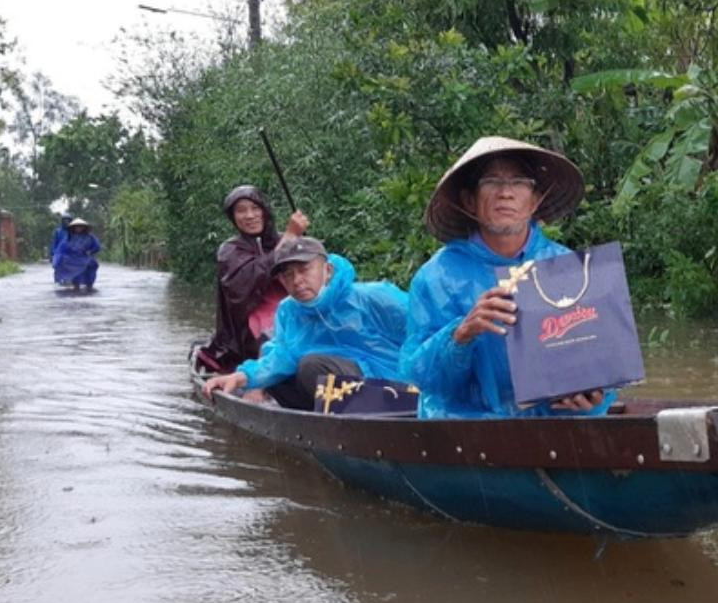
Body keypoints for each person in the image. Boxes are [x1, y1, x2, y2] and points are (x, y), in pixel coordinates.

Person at [401, 136, 615, 419]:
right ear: (470, 201)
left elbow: (601, 364)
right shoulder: (436, 277)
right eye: (491, 182)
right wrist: (460, 335)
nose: (506, 192)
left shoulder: (567, 267)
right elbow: (421, 377)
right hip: (469, 430)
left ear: (535, 201)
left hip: (555, 429)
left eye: (519, 182)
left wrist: (595, 397)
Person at [202, 236, 409, 410]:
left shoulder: (373, 297)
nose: (297, 281)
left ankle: (377, 417)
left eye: (304, 269)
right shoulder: (289, 310)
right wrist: (240, 378)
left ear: (327, 270)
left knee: (311, 366)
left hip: (395, 389)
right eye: (288, 275)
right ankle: (323, 423)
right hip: (341, 392)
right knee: (277, 378)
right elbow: (281, 356)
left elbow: (422, 335)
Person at [197, 185, 309, 373]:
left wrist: (294, 240)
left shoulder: (287, 239)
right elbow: (247, 281)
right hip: (250, 324)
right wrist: (289, 237)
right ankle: (259, 382)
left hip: (294, 311)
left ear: (265, 211)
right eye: (241, 211)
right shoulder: (230, 250)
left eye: (255, 208)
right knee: (271, 336)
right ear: (233, 217)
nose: (250, 216)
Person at [52, 217, 102, 291]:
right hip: (73, 260)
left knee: (92, 269)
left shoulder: (90, 237)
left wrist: (90, 251)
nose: (79, 228)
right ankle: (76, 289)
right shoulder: (69, 237)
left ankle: (89, 287)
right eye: (77, 227)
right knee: (76, 277)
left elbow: (97, 246)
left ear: (84, 227)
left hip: (86, 258)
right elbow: (61, 249)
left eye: (81, 226)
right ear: (73, 228)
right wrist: (57, 260)